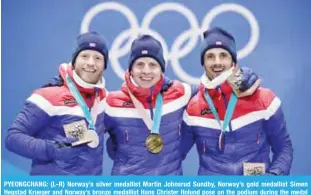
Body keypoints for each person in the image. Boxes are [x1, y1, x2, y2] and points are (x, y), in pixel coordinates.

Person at [104, 34, 260, 175]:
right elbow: (85, 131)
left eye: (153, 65)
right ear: (130, 69)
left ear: (161, 69)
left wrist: (241, 76)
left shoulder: (180, 92)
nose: (146, 71)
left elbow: (213, 89)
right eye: (139, 65)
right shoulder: (112, 102)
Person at [182, 27, 293, 175]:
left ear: (233, 61)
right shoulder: (194, 108)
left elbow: (284, 148)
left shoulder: (264, 100)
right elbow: (172, 156)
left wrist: (273, 177)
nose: (217, 62)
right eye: (210, 56)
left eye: (223, 55)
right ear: (203, 63)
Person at [5, 32, 109, 175]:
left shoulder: (105, 100)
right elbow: (13, 138)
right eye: (84, 56)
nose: (91, 63)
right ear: (74, 61)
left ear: (104, 66)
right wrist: (51, 149)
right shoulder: (48, 96)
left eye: (98, 58)